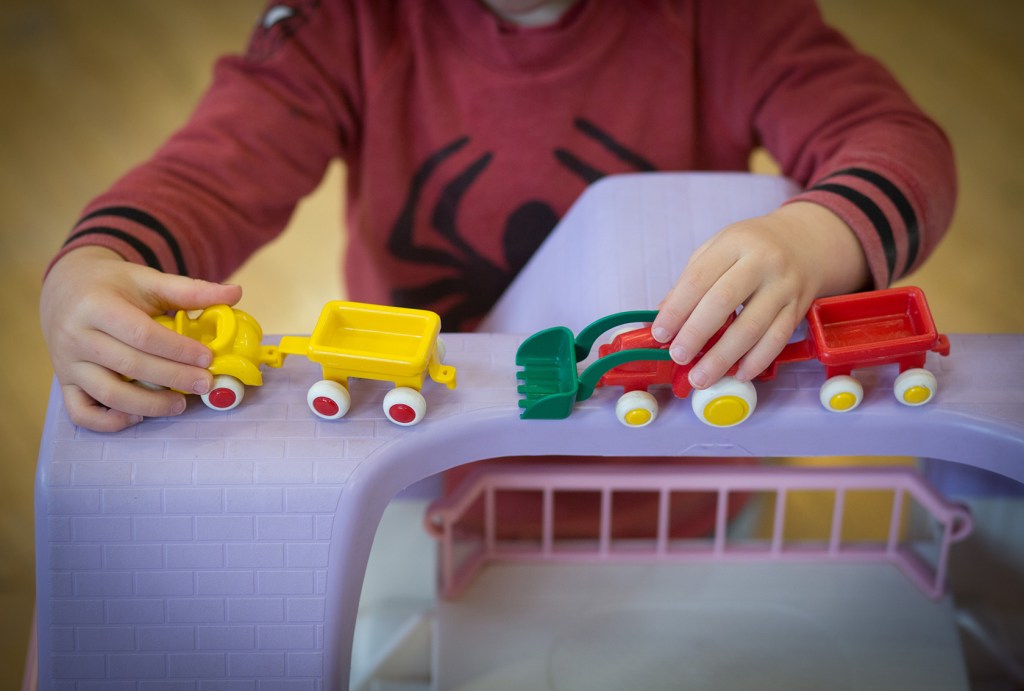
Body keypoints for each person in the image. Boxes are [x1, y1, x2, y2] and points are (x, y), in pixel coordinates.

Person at [39, 0, 956, 433]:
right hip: (427, 454)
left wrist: (819, 236)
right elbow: (208, 175)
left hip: (687, 460)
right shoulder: (340, 26)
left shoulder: (729, 21)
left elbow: (895, 142)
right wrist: (104, 261)